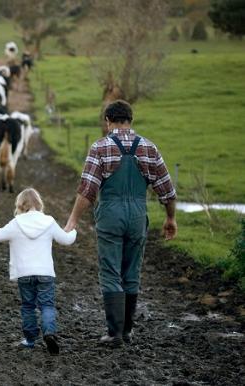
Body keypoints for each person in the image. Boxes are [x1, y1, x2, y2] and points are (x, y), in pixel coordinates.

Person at [64, 100, 177, 347]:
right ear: (130, 121)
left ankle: (114, 333)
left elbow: (87, 190)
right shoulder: (148, 147)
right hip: (137, 215)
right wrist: (170, 218)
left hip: (111, 215)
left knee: (110, 271)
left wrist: (73, 220)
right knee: (132, 272)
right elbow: (167, 190)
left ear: (107, 121)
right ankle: (127, 331)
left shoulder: (100, 147)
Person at [0, 188, 76, 355]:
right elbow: (66, 240)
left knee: (28, 306)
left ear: (20, 205)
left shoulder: (16, 223)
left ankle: (30, 340)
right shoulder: (49, 221)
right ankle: (49, 333)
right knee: (47, 305)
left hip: (24, 273)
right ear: (39, 204)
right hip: (45, 272)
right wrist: (73, 230)